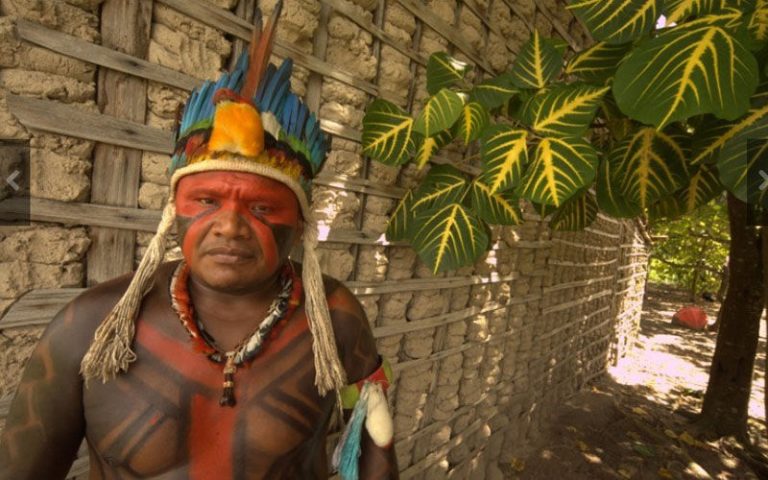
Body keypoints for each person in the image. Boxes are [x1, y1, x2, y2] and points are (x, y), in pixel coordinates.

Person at [0, 3, 397, 478]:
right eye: (206, 200)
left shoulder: (334, 320)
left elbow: (374, 452)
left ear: (299, 225)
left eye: (262, 207)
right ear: (174, 211)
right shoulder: (88, 327)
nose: (229, 226)